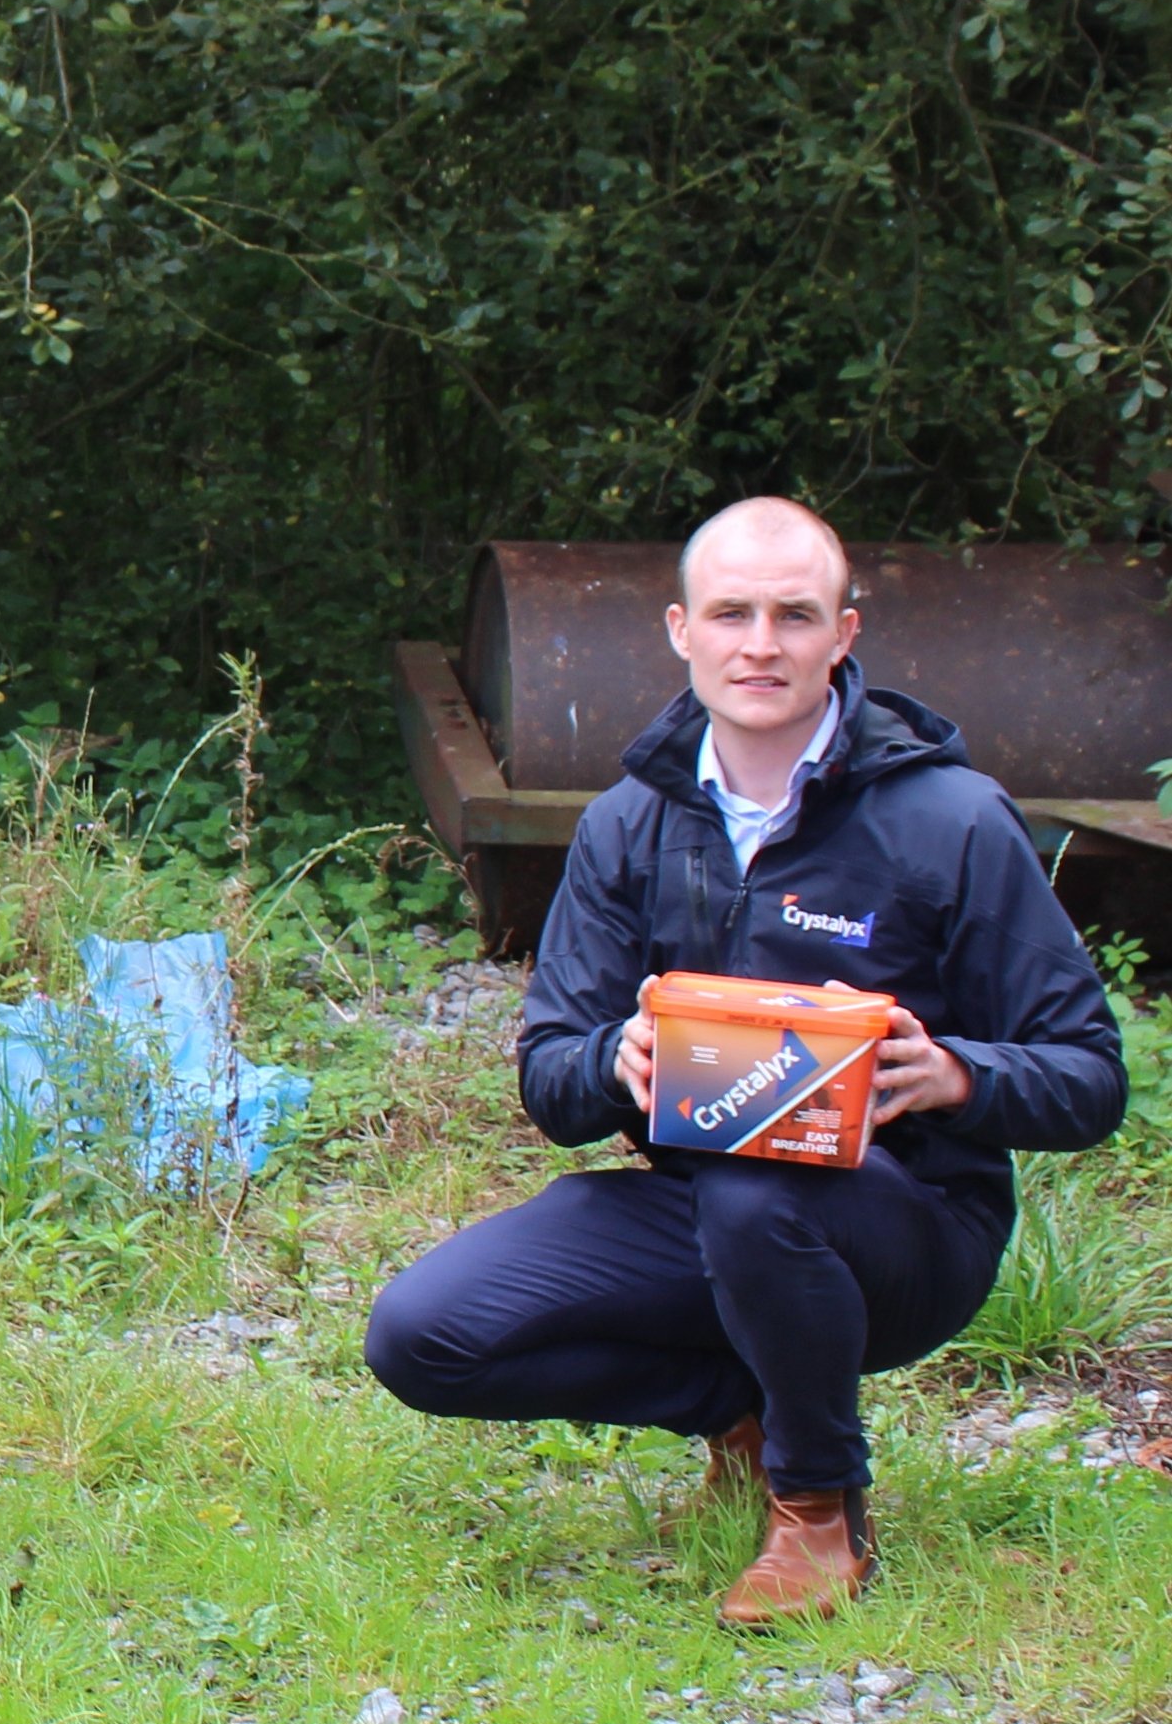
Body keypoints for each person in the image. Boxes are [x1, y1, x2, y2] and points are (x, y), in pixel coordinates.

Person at [363, 497, 1127, 1625]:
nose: (759, 644)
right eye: (731, 613)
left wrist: (952, 1076)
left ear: (843, 636)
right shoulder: (628, 824)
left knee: (757, 1176)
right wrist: (613, 1062)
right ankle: (747, 1407)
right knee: (422, 1338)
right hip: (704, 1214)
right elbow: (550, 1080)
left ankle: (820, 1505)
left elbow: (1090, 1078)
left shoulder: (952, 820)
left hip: (904, 1227)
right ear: (680, 630)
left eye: (792, 616)